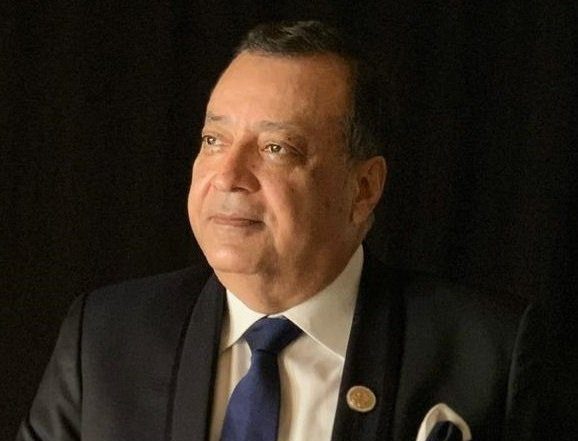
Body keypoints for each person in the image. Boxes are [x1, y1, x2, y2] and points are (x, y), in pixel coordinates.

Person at [16, 21, 531, 441]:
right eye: (214, 140)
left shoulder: (488, 357)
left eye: (276, 148)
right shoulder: (105, 337)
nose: (228, 176)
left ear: (363, 188)